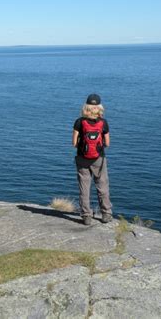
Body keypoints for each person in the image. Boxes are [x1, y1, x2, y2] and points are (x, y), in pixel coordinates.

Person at [72, 94, 112, 225]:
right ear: (99, 107)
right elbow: (107, 143)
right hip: (99, 158)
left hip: (82, 158)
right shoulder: (103, 122)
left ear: (86, 107)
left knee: (84, 188)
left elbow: (74, 143)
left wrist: (83, 148)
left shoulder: (79, 122)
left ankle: (86, 216)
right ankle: (106, 214)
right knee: (102, 186)